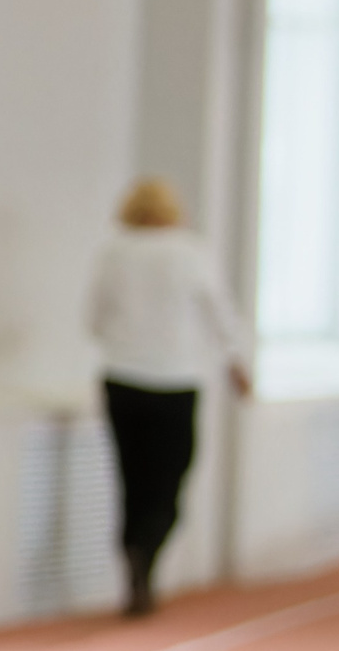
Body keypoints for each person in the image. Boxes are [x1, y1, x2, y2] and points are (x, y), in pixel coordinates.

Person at [86, 176, 252, 617]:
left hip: (122, 379)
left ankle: (135, 553)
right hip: (174, 380)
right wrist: (237, 360)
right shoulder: (189, 251)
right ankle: (148, 550)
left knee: (131, 478)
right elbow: (219, 310)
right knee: (171, 478)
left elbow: (94, 319)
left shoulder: (113, 254)